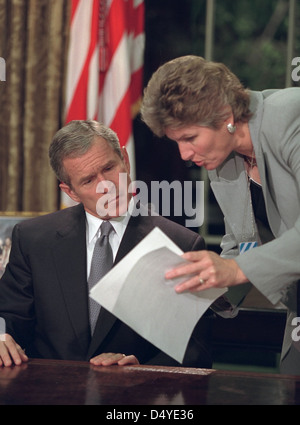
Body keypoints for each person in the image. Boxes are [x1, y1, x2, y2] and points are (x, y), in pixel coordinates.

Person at [0, 119, 213, 368]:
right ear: (70, 192)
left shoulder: (180, 244)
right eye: (88, 180)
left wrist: (142, 366)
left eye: (109, 168)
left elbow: (195, 350)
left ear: (125, 158)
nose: (106, 186)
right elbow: (10, 317)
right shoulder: (32, 238)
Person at [141, 55, 300, 374]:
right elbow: (241, 246)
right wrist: (197, 291)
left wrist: (235, 269)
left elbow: (239, 264)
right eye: (177, 141)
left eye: (190, 138)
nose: (184, 154)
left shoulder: (290, 114)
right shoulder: (223, 157)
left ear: (226, 115)